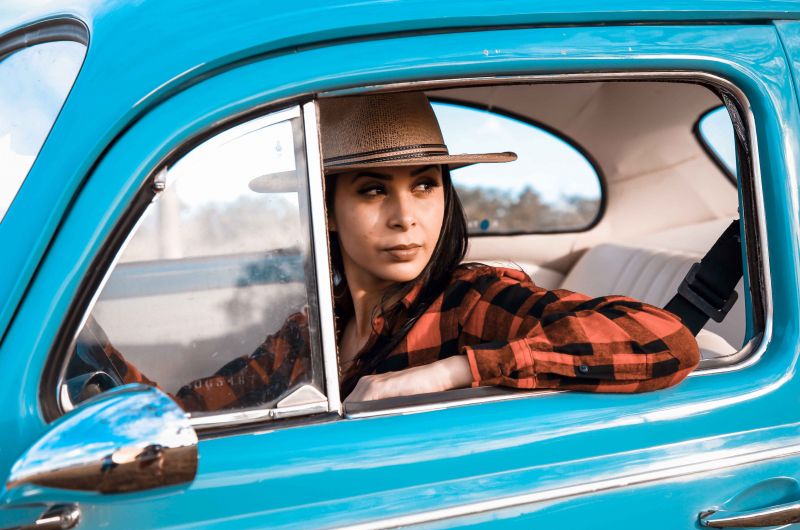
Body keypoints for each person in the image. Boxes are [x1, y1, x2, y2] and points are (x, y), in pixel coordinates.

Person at [79, 91, 700, 411]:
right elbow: (197, 410)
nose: (406, 217)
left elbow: (663, 338)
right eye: (374, 189)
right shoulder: (313, 329)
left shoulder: (469, 300)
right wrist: (91, 355)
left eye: (425, 185)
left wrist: (450, 372)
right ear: (327, 210)